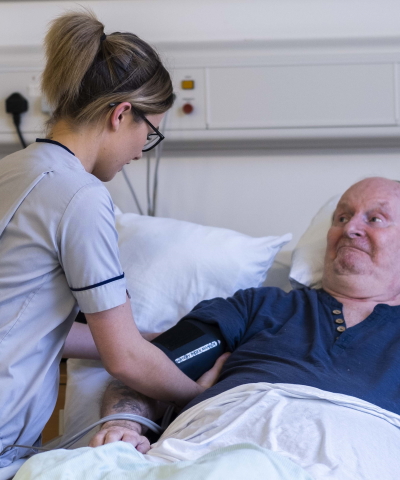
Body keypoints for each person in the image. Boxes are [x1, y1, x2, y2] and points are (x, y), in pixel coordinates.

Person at [0, 10, 205, 468]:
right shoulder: (81, 197)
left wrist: (146, 337)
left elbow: (25, 321)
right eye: (149, 133)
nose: (140, 151)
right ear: (121, 114)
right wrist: (202, 394)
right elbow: (125, 361)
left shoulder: (13, 169)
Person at [89, 176, 400, 460]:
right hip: (213, 455)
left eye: (375, 219)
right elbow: (146, 370)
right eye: (342, 217)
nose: (349, 229)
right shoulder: (258, 307)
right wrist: (124, 428)